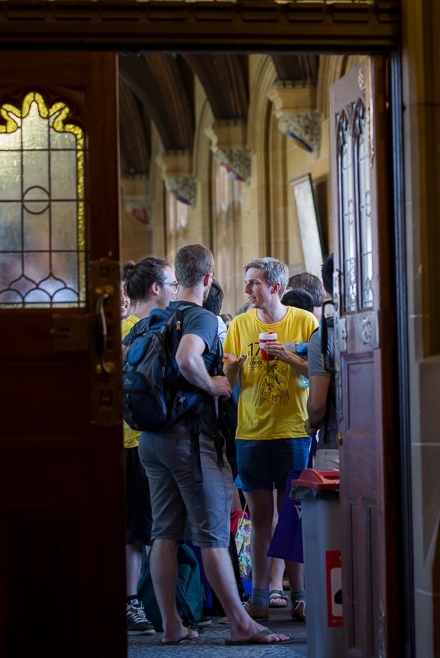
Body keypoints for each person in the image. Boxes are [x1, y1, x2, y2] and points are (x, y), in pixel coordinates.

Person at [136, 244, 291, 646]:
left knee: (164, 533)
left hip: (151, 440)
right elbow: (189, 359)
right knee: (212, 533)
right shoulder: (201, 318)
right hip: (190, 441)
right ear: (208, 279)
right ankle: (241, 623)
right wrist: (215, 385)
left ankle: (171, 624)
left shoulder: (154, 316)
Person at [223, 257, 317, 623]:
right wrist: (229, 371)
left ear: (275, 287)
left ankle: (301, 596)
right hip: (251, 431)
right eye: (247, 283)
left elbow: (320, 371)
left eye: (254, 283)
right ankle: (259, 597)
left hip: (293, 429)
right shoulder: (239, 326)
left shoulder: (304, 321)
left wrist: (289, 356)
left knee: (294, 515)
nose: (247, 290)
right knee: (261, 517)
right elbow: (228, 384)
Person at [121, 256, 179, 636]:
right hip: (137, 440)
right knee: (139, 529)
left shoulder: (135, 327)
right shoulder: (138, 328)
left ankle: (155, 606)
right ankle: (132, 603)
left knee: (145, 528)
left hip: (142, 439)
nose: (175, 289)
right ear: (156, 288)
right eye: (171, 283)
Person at [305, 253, 339, 470]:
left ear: (326, 289)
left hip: (336, 442)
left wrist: (311, 424)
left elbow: (317, 405)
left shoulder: (324, 336)